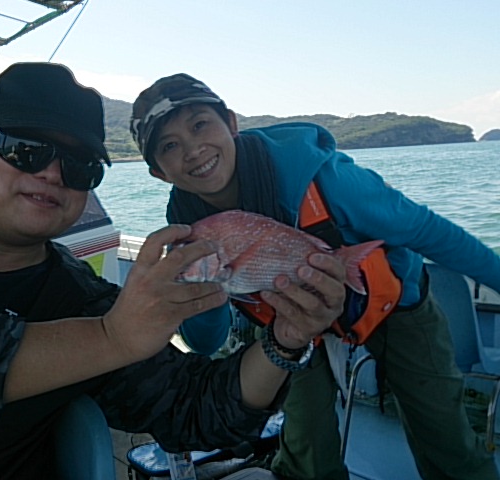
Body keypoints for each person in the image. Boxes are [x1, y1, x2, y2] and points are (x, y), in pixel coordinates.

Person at [0, 63, 347, 480]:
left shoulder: (82, 298)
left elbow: (197, 409)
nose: (52, 173)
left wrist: (284, 340)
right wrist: (111, 338)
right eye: (26, 149)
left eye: (79, 166)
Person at [130, 73, 500, 480]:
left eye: (200, 124)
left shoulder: (324, 179)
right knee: (306, 448)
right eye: (169, 146)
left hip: (392, 303)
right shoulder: (184, 226)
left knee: (443, 432)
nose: (193, 149)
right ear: (158, 172)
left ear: (231, 123)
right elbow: (206, 341)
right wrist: (203, 290)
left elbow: (428, 231)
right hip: (287, 321)